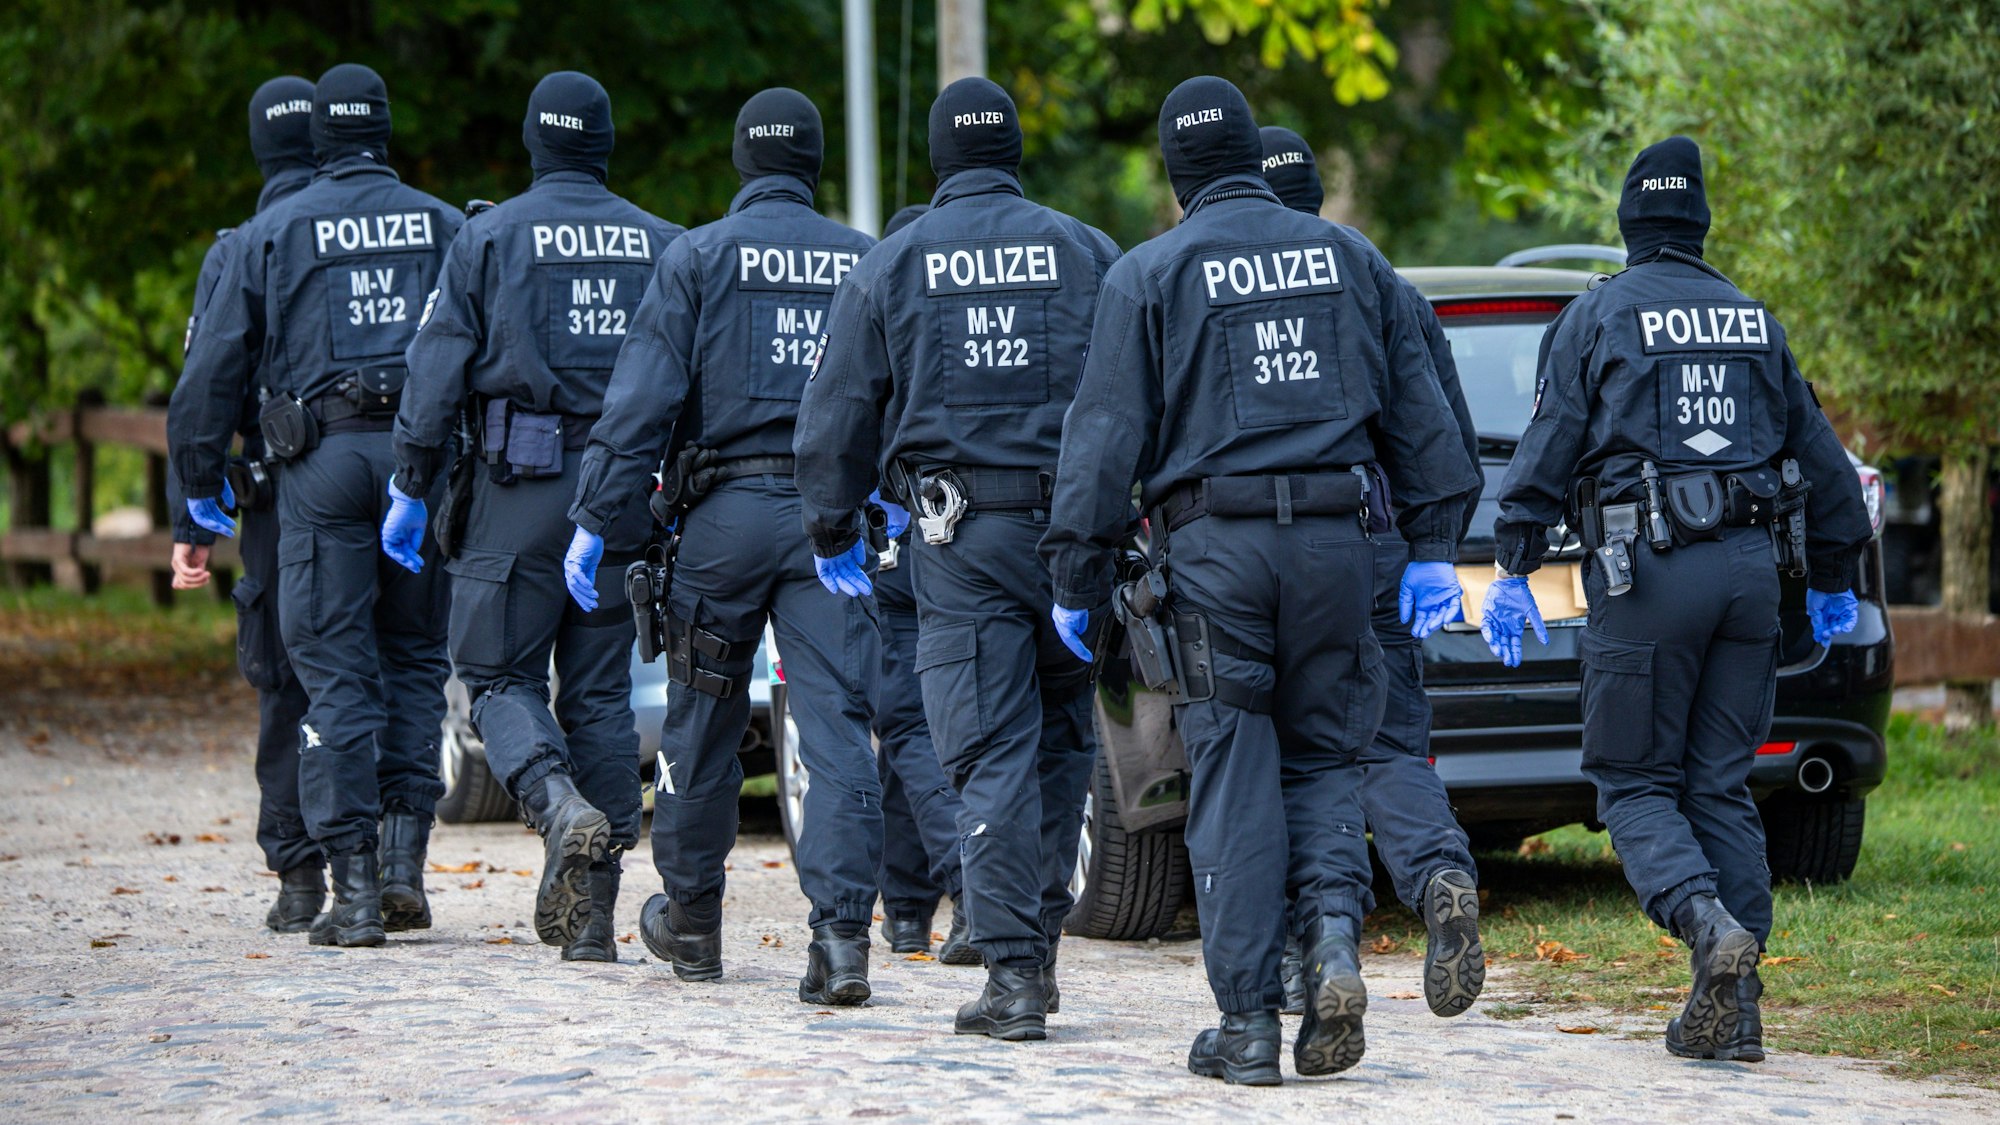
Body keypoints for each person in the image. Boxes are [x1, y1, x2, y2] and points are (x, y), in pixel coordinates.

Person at [1041, 77, 1480, 1084]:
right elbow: (1424, 418)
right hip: (1337, 545)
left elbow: (1102, 441)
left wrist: (1074, 575)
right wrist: (1429, 545)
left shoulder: (1149, 274)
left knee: (1233, 776)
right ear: (1249, 153)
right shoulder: (1350, 258)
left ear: (1174, 173)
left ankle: (1246, 1025)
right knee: (1325, 761)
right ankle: (1331, 946)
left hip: (1216, 554)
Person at [1480, 136, 1870, 1062]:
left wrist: (1513, 562)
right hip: (1748, 578)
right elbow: (1826, 466)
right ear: (1700, 222)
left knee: (1634, 783)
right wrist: (1833, 578)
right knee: (1719, 783)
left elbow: (1549, 445)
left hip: (1647, 575)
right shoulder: (1753, 320)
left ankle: (1707, 927)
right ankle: (1740, 1013)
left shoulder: (1598, 314)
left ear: (1629, 222)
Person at [796, 77, 1122, 1042]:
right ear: (1014, 152)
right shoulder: (1087, 251)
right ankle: (1039, 954)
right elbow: (1135, 396)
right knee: (1062, 744)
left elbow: (836, 412)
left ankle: (1013, 975)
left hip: (960, 540)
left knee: (987, 750)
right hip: (1075, 539)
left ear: (939, 160)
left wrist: (832, 528)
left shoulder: (894, 264)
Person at [563, 88, 884, 1004]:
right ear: (813, 163)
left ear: (743, 161)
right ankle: (841, 941)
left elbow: (641, 402)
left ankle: (693, 921)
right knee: (834, 725)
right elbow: (893, 396)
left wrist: (594, 517)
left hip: (720, 521)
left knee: (701, 720)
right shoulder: (864, 259)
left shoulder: (697, 256)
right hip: (831, 531)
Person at [387, 72, 683, 962]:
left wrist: (411, 481)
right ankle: (594, 925)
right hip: (621, 496)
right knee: (599, 696)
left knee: (496, 675)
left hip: (517, 494)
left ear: (533, 142)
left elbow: (435, 369)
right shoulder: (662, 244)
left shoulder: (487, 237)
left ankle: (556, 806)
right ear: (605, 143)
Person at [173, 64, 463, 948]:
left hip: (318, 467)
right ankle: (405, 862)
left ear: (319, 139)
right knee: (414, 660)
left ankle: (356, 889)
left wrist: (197, 493)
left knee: (330, 666)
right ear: (384, 128)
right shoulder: (445, 223)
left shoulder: (270, 232)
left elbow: (208, 378)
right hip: (419, 468)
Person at [1258, 126, 1486, 1019]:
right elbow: (1445, 433)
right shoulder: (1380, 279)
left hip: (1263, 555)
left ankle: (1306, 950)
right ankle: (1439, 874)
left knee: (1283, 758)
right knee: (1388, 744)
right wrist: (1434, 547)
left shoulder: (1224, 284)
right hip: (1379, 545)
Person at [164, 75, 321, 934]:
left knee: (284, 674)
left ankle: (298, 874)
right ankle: (382, 864)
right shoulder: (380, 232)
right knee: (376, 662)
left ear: (261, 150)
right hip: (384, 495)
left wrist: (193, 517)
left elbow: (204, 389)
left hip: (273, 498)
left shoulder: (240, 248)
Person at [867, 204, 977, 966]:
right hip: (961, 534)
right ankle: (906, 906)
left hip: (898, 543)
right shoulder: (958, 325)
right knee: (906, 730)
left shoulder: (882, 314)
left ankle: (970, 882)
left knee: (909, 724)